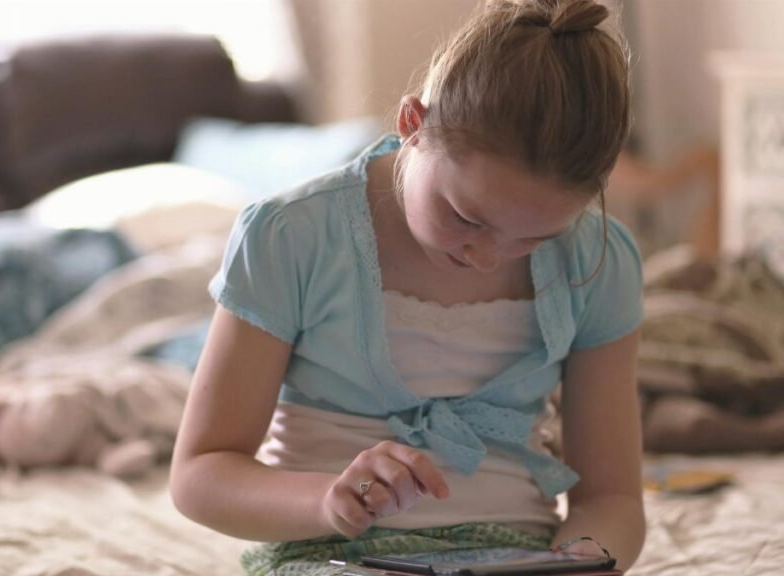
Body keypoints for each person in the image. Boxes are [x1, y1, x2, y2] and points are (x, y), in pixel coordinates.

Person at [170, 0, 646, 573]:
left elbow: (611, 497)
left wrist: (583, 560)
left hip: (516, 556)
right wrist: (329, 501)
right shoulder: (290, 236)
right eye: (466, 218)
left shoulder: (599, 259)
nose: (485, 257)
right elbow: (201, 473)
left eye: (535, 238)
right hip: (329, 552)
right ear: (412, 125)